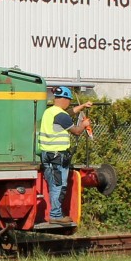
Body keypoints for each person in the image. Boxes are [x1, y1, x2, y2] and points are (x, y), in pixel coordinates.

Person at [37, 86, 95, 224]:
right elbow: (76, 131)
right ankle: (56, 215)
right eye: (69, 100)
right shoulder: (61, 115)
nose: (69, 102)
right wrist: (84, 124)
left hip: (46, 154)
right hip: (58, 156)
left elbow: (68, 114)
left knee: (53, 185)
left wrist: (82, 106)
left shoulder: (49, 112)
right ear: (65, 99)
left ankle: (54, 212)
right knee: (59, 185)